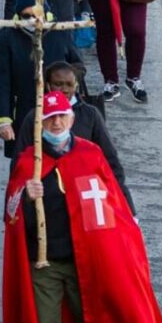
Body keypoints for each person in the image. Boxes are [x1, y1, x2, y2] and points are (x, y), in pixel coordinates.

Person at [2, 91, 162, 323]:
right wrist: (25, 195)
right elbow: (10, 211)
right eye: (49, 118)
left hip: (88, 259)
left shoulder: (91, 154)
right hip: (45, 261)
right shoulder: (29, 160)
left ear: (72, 119)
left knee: (92, 318)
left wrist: (123, 245)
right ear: (39, 123)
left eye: (62, 117)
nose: (56, 123)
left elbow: (112, 202)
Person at [12, 61, 135, 215]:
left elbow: (111, 162)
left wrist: (127, 207)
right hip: (47, 202)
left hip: (84, 201)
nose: (64, 89)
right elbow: (20, 162)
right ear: (48, 85)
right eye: (58, 84)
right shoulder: (35, 117)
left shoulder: (91, 115)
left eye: (69, 84)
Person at [0, 0, 83, 158]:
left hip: (59, 110)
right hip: (26, 110)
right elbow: (2, 81)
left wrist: (65, 81)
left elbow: (78, 64)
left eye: (36, 15)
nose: (33, 21)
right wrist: (4, 120)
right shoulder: (8, 36)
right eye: (27, 16)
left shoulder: (59, 31)